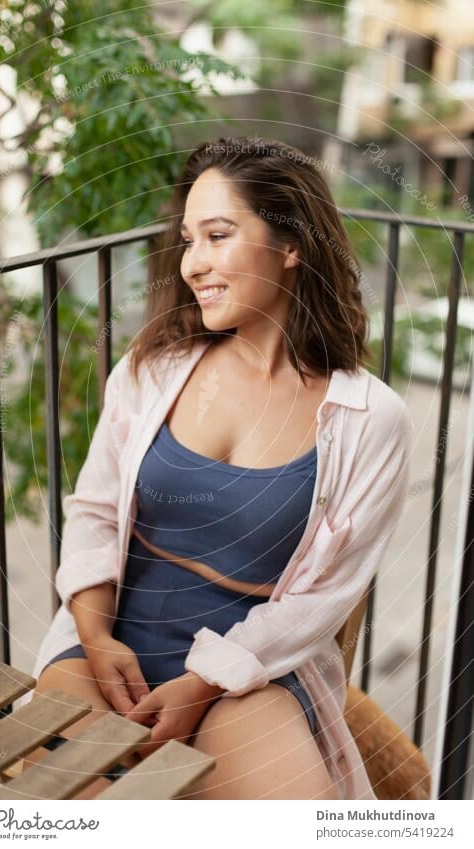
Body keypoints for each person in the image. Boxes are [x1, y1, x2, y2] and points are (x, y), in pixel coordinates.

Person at [21, 136, 411, 800]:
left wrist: (204, 681)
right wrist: (93, 634)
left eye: (217, 235)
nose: (193, 263)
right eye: (188, 240)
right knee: (63, 807)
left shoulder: (370, 419)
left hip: (248, 662)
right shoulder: (153, 370)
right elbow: (91, 513)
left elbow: (320, 599)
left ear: (291, 246)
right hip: (112, 636)